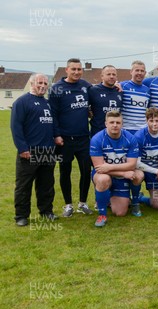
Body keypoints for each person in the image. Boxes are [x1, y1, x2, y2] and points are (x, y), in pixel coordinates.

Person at [11, 73, 58, 226]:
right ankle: (21, 216)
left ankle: (46, 211)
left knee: (46, 184)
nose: (43, 86)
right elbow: (16, 127)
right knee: (24, 185)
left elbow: (53, 123)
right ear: (31, 83)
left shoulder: (48, 103)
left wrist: (57, 136)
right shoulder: (22, 102)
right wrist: (22, 148)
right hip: (29, 152)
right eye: (39, 83)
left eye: (45, 83)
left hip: (48, 151)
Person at [49, 58, 94, 217]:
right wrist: (57, 134)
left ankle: (82, 203)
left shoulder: (86, 86)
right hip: (65, 139)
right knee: (65, 172)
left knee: (85, 171)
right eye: (73, 69)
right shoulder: (57, 88)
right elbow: (52, 114)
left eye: (79, 69)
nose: (76, 72)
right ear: (66, 70)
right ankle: (68, 205)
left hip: (83, 138)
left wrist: (117, 85)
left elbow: (100, 93)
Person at [90, 111, 143, 227]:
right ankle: (102, 214)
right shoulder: (97, 139)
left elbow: (132, 165)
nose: (115, 125)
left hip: (121, 175)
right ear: (106, 124)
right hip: (107, 175)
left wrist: (109, 167)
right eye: (112, 122)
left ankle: (134, 202)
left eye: (118, 122)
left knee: (120, 212)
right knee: (103, 179)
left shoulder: (130, 139)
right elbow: (100, 168)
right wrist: (122, 173)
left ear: (122, 124)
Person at [134, 107, 158, 209]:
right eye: (151, 121)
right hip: (143, 169)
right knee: (138, 176)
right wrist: (156, 171)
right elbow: (136, 163)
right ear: (146, 121)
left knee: (157, 205)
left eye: (157, 121)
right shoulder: (139, 136)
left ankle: (142, 198)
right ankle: (135, 199)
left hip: (156, 170)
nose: (154, 124)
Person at [88, 65, 122, 137]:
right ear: (102, 76)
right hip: (97, 133)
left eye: (114, 74)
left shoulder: (119, 91)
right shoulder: (93, 90)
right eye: (108, 74)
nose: (111, 76)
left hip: (115, 134)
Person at [121, 60, 151, 134]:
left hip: (142, 130)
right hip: (126, 129)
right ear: (131, 71)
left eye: (142, 71)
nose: (139, 73)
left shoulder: (147, 90)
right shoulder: (122, 86)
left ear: (145, 73)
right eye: (137, 70)